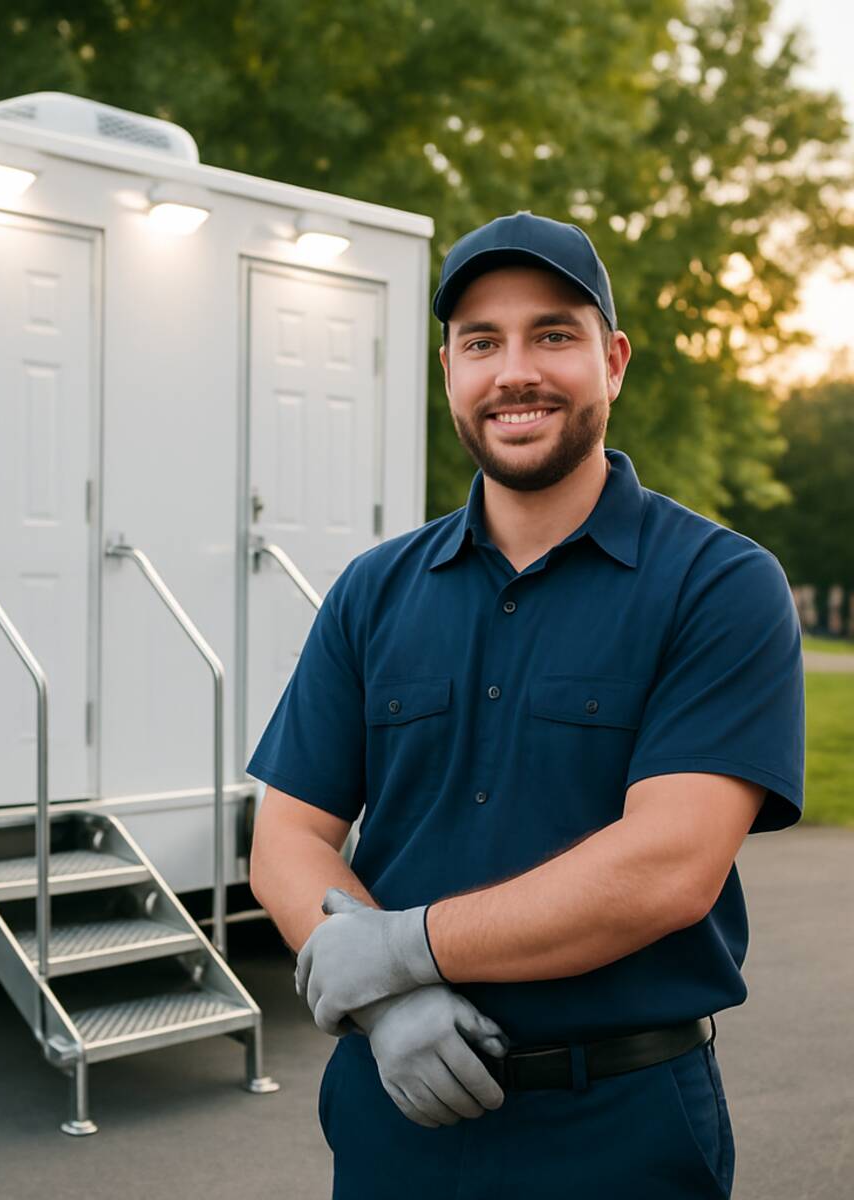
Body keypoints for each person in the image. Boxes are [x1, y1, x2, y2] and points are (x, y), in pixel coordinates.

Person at [246, 211, 805, 1199]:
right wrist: (389, 1012)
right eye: (480, 342)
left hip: (619, 1130)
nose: (516, 371)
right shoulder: (373, 592)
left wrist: (403, 950)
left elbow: (668, 868)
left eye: (554, 333)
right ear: (450, 373)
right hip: (395, 1120)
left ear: (614, 360)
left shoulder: (719, 584)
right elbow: (288, 835)